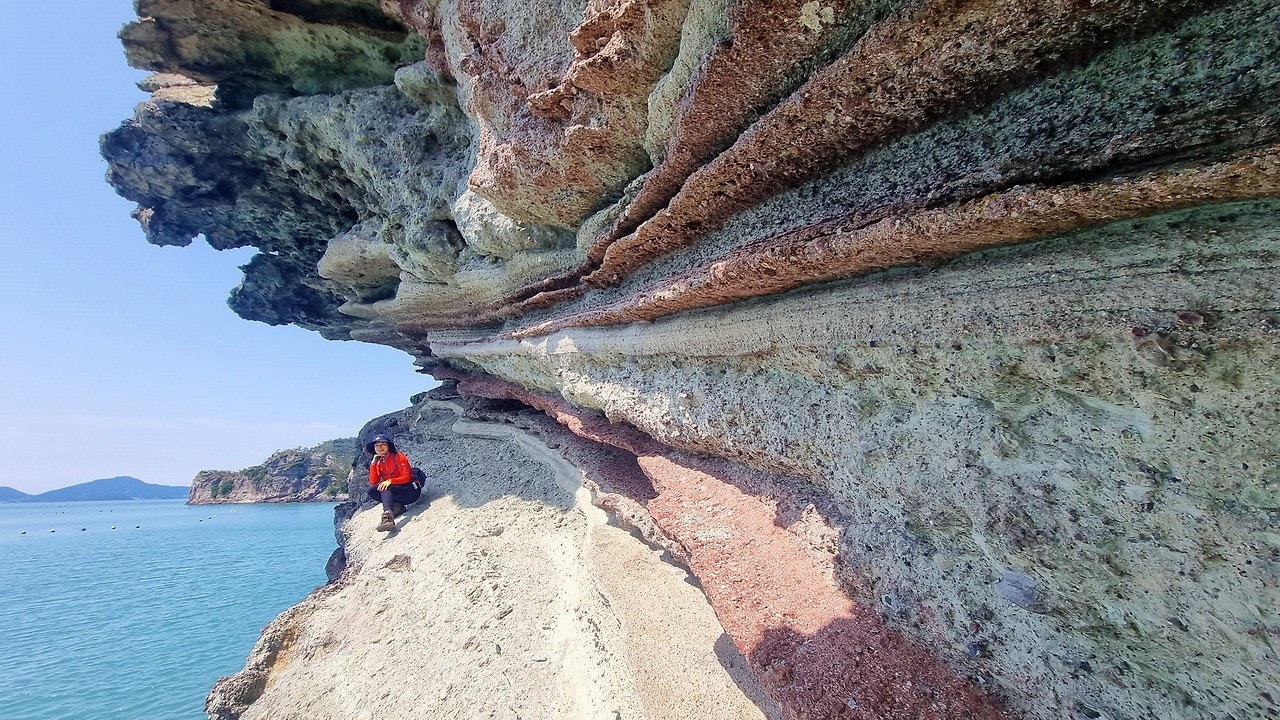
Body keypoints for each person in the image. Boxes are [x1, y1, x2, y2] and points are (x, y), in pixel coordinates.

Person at [365, 434, 421, 532]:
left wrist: (390, 481)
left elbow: (406, 477)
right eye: (376, 445)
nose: (379, 448)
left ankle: (388, 519)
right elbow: (373, 482)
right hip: (397, 491)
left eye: (383, 444)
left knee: (386, 486)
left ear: (389, 446)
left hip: (411, 491)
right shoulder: (379, 462)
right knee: (371, 490)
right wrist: (373, 464)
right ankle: (397, 507)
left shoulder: (398, 456)